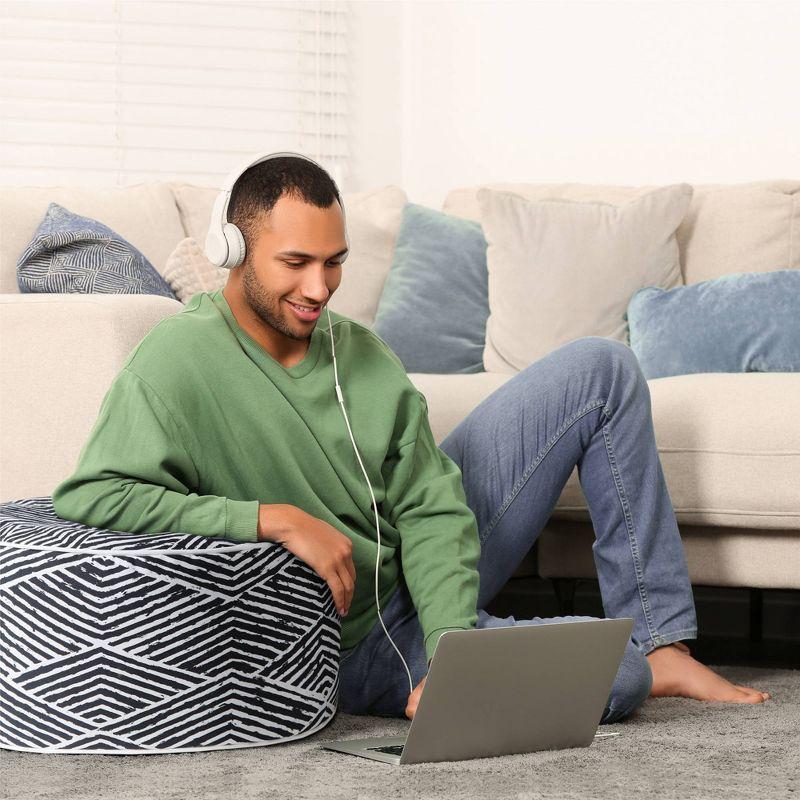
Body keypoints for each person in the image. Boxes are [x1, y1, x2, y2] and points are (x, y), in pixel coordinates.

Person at [52, 156, 771, 729]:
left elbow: (430, 504)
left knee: (600, 368)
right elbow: (95, 494)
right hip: (354, 634)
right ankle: (583, 655)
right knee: (620, 680)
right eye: (296, 262)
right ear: (235, 250)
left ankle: (660, 640)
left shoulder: (358, 354)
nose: (319, 286)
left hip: (415, 574)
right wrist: (267, 517)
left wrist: (452, 644)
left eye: (334, 262)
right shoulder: (176, 361)